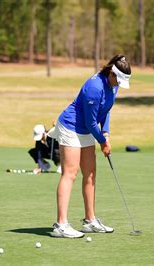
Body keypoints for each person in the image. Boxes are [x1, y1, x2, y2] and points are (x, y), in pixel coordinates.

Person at [51, 55, 131, 238]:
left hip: (87, 128)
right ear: (111, 73)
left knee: (90, 173)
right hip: (71, 126)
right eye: (118, 79)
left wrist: (106, 133)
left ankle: (90, 221)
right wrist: (103, 143)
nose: (118, 84)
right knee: (70, 173)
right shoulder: (94, 87)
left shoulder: (114, 84)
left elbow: (106, 110)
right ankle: (60, 225)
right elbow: (90, 121)